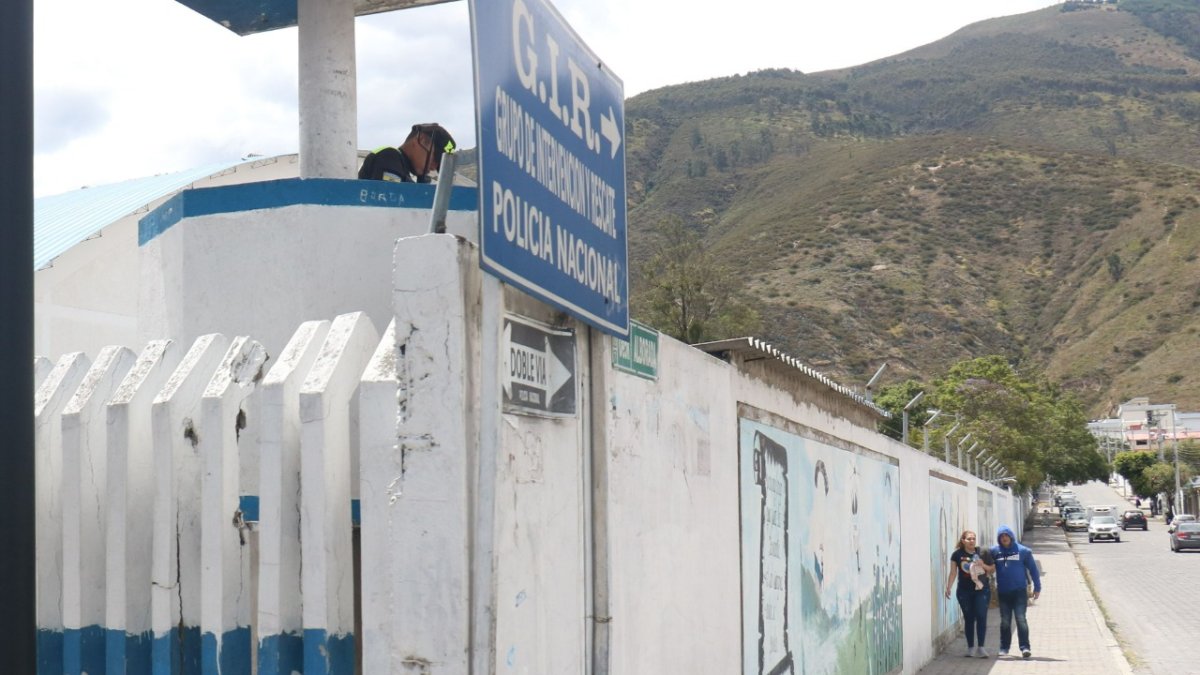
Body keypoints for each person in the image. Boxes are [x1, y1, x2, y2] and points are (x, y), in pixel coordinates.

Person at [991, 525, 1041, 659]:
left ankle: (1025, 647)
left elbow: (1034, 570)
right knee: (1005, 621)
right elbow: (984, 560)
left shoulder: (1023, 551)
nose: (1004, 538)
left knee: (1021, 619)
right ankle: (1004, 648)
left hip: (1019, 591)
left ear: (1011, 537)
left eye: (1006, 536)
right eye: (1001, 537)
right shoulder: (995, 551)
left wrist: (1037, 588)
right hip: (1003, 592)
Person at [944, 530, 995, 658]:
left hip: (981, 590)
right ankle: (971, 647)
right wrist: (948, 587)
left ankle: (981, 647)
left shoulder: (983, 552)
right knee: (969, 618)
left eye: (973, 538)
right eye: (969, 539)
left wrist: (983, 565)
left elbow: (992, 568)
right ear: (963, 541)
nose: (972, 541)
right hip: (964, 591)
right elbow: (953, 572)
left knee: (981, 616)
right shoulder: (957, 555)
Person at [358, 123, 456, 184]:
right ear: (421, 140)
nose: (434, 167)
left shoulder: (403, 169)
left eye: (439, 165)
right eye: (435, 158)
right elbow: (392, 198)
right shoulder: (389, 156)